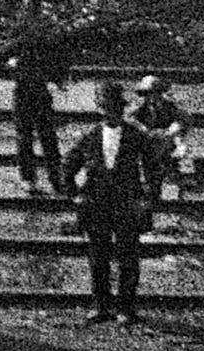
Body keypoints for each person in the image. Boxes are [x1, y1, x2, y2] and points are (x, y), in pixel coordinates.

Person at [60, 82, 159, 324]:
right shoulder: (90, 136)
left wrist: (148, 198)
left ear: (122, 110)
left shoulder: (136, 136)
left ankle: (126, 308)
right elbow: (68, 166)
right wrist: (74, 194)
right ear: (100, 110)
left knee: (128, 258)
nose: (111, 114)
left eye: (115, 109)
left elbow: (153, 168)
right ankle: (101, 306)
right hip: (97, 204)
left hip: (127, 203)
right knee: (98, 257)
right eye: (106, 109)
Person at [0, 35, 73, 192]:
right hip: (33, 93)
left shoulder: (27, 43)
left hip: (29, 93)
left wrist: (12, 73)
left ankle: (37, 179)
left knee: (34, 138)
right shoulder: (42, 44)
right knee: (41, 138)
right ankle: (48, 178)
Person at [127, 73, 194, 189]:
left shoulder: (170, 105)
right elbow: (128, 118)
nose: (151, 97)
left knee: (177, 150)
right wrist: (143, 128)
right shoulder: (141, 106)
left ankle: (173, 175)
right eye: (147, 94)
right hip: (147, 142)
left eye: (154, 93)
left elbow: (183, 119)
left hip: (166, 141)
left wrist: (170, 130)